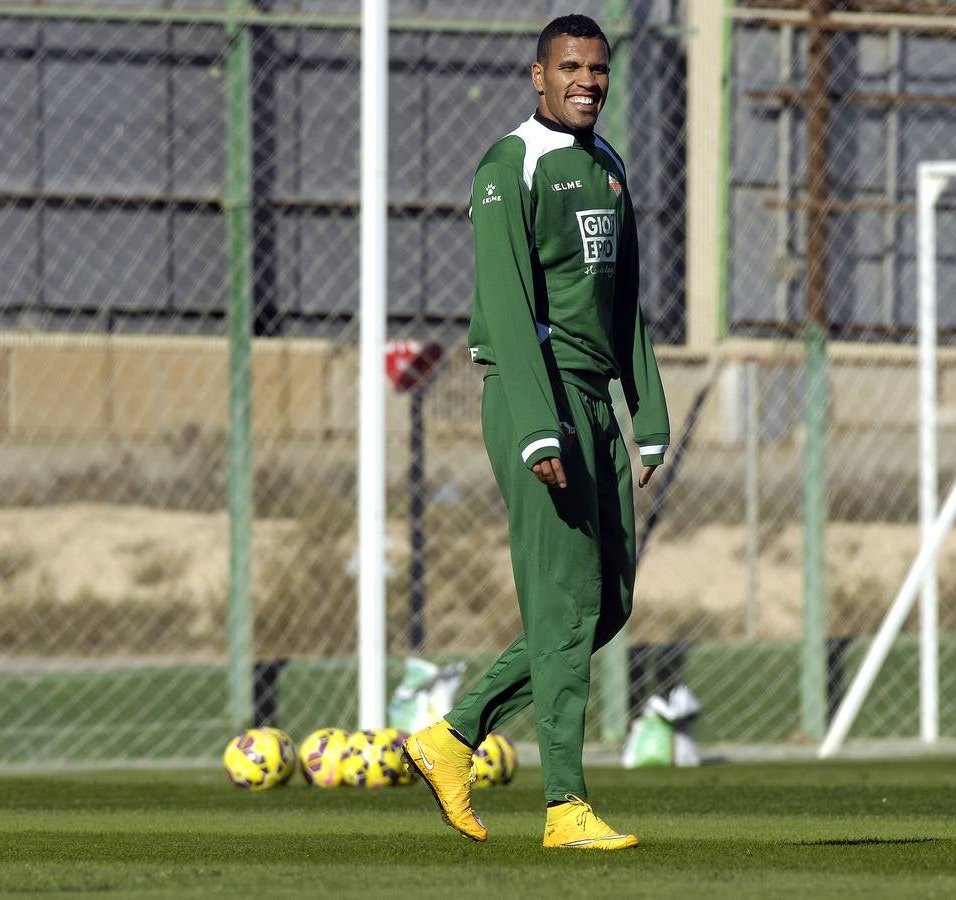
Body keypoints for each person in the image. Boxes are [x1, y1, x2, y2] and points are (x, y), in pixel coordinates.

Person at [402, 14, 669, 851]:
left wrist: (646, 414)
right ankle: (564, 807)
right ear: (537, 75)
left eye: (597, 68)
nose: (586, 80)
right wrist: (535, 431)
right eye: (570, 67)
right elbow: (511, 312)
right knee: (563, 602)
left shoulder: (609, 166)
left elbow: (621, 301)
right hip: (537, 399)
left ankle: (452, 736)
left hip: (593, 400)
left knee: (608, 602)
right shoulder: (508, 165)